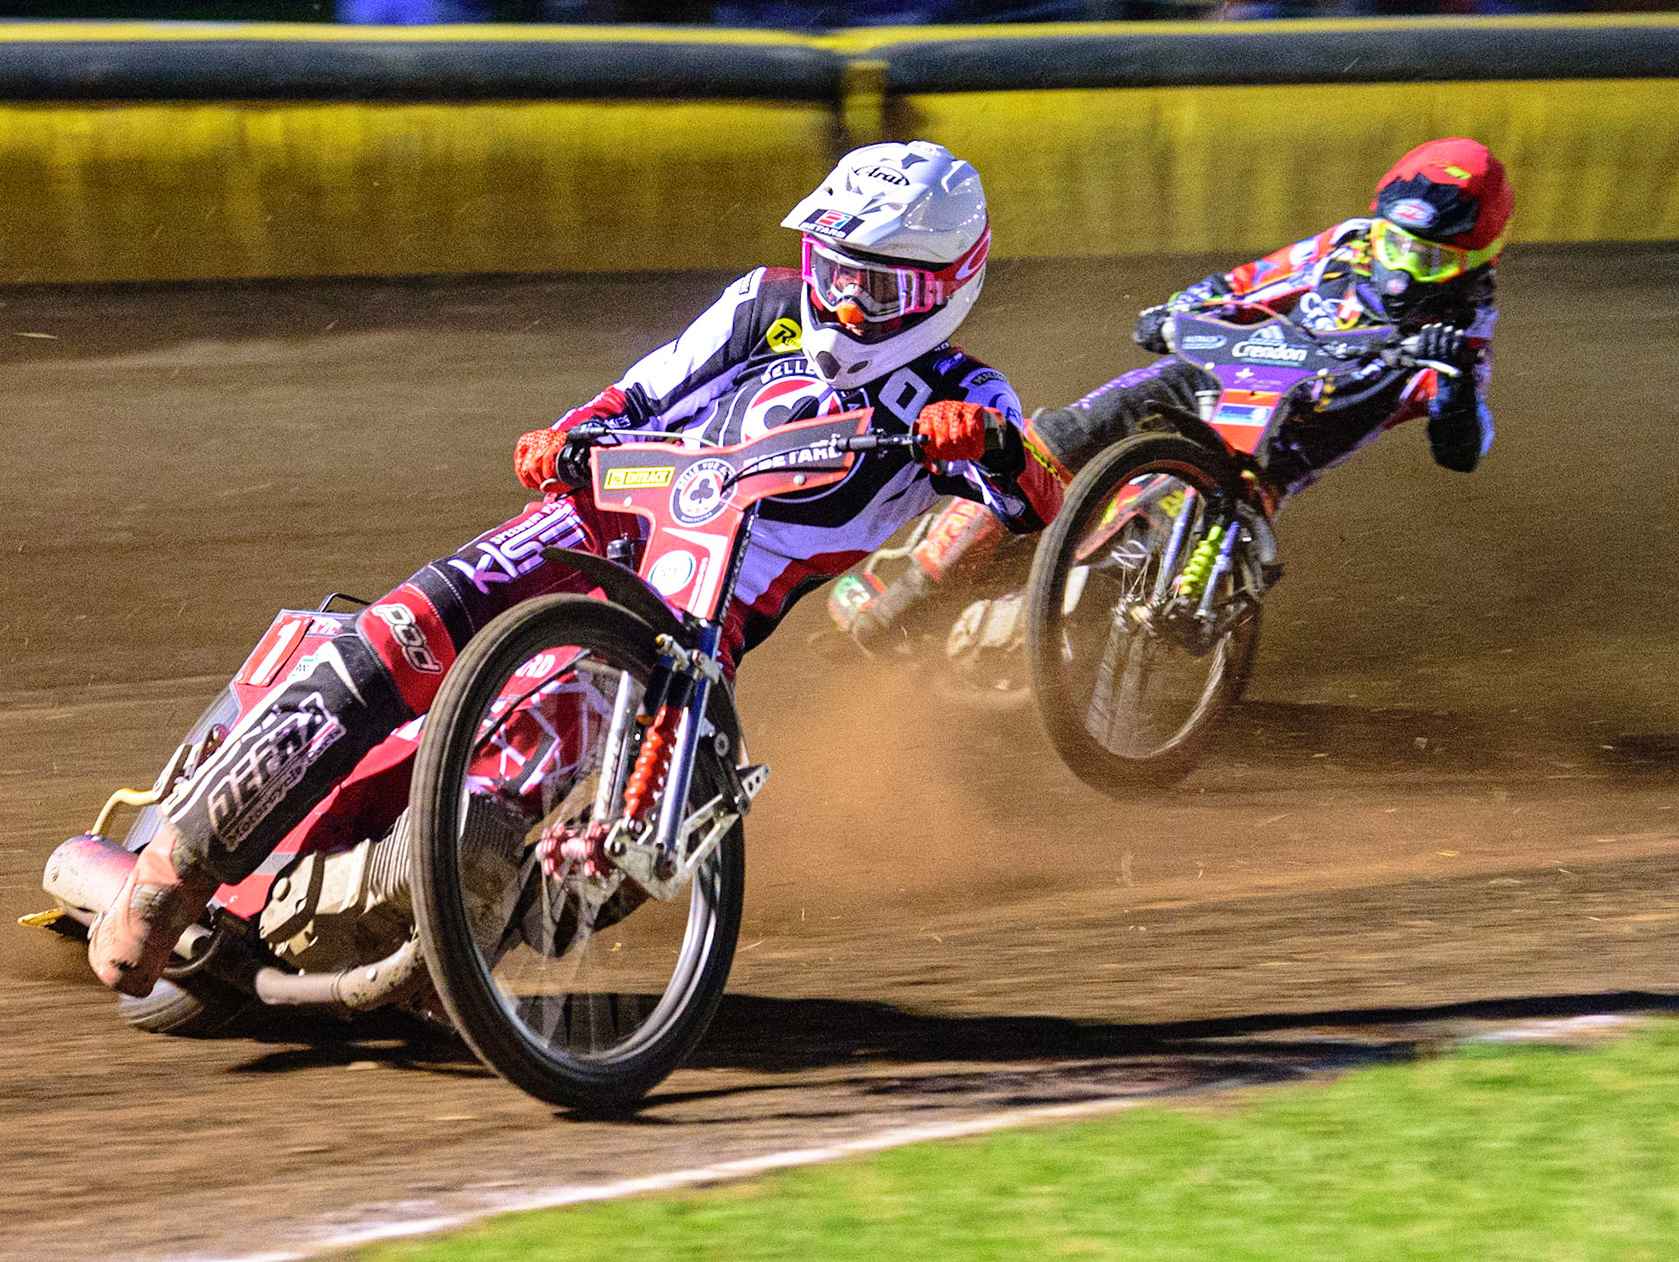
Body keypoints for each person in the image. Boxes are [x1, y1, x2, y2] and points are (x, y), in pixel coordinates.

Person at [86, 140, 1066, 997]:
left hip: (688, 625)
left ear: (946, 289)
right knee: (403, 630)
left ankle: (469, 948)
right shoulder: (767, 304)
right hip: (589, 520)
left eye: (876, 287)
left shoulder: (966, 394)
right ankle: (178, 862)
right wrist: (569, 436)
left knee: (608, 818)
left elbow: (1034, 505)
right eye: (832, 268)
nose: (841, 301)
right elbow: (639, 389)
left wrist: (988, 448)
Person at [835, 136, 1510, 656]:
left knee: (1141, 576)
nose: (1401, 268)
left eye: (1430, 259)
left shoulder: (1463, 325)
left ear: (1476, 259)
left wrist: (1451, 391)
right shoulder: (1349, 247)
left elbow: (1463, 447)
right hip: (1215, 380)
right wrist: (1175, 312)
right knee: (1054, 440)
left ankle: (1066, 649)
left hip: (1268, 460)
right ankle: (909, 596)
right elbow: (1246, 285)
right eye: (1397, 242)